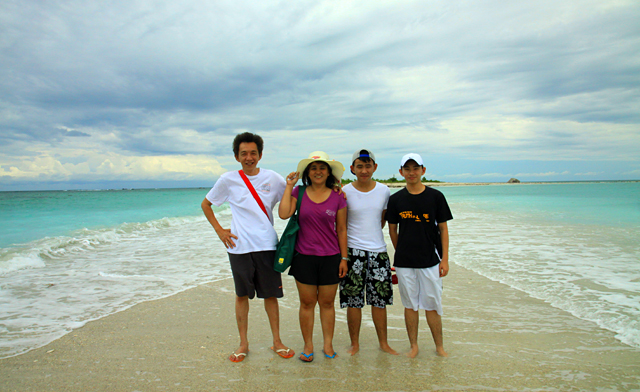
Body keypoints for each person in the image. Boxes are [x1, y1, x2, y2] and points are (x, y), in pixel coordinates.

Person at [201, 132, 294, 363]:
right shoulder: (228, 179)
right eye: (244, 153)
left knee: (270, 296)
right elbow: (206, 204)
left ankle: (277, 341)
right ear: (236, 156)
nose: (249, 157)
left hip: (267, 245)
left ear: (260, 155)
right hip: (239, 247)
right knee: (242, 295)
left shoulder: (273, 178)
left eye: (253, 153)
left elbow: (292, 198)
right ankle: (243, 343)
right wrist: (220, 231)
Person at [278, 151, 348, 362]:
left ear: (329, 173)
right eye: (314, 168)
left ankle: (328, 344)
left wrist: (344, 259)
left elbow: (342, 229)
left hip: (331, 257)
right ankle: (308, 345)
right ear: (308, 172)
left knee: (327, 304)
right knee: (307, 304)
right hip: (304, 257)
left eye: (322, 168)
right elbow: (283, 214)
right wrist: (289, 186)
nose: (318, 172)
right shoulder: (298, 192)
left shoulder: (338, 196)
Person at [385, 153, 453, 358]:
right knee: (410, 305)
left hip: (430, 260)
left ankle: (439, 347)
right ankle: (413, 346)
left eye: (416, 168)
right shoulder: (396, 199)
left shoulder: (435, 197)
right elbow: (392, 230)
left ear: (423, 171)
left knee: (432, 304)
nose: (411, 172)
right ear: (401, 172)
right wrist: (401, 251)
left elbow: (443, 229)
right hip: (404, 263)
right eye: (407, 169)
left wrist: (445, 259)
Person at [339, 149, 398, 356]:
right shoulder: (345, 191)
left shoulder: (384, 191)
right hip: (352, 252)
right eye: (360, 166)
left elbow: (382, 220)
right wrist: (344, 256)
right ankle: (354, 344)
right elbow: (342, 224)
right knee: (353, 301)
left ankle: (384, 343)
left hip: (379, 252)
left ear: (375, 167)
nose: (364, 170)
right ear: (353, 168)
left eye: (368, 166)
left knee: (379, 301)